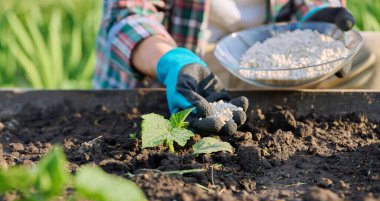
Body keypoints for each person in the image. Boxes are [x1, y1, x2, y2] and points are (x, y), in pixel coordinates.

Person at [93, 0, 364, 135]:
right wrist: (172, 61)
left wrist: (318, 18)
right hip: (182, 56)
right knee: (203, 101)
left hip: (268, 51)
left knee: (370, 52)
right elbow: (126, 17)